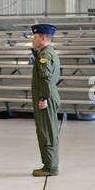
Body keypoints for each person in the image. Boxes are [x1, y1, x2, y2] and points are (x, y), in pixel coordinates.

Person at [30, 24, 62, 176]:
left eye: (35, 36)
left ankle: (50, 167)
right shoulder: (49, 53)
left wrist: (43, 97)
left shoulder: (45, 55)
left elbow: (46, 77)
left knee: (46, 130)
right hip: (49, 94)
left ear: (43, 38)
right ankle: (50, 164)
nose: (33, 39)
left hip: (46, 96)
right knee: (49, 129)